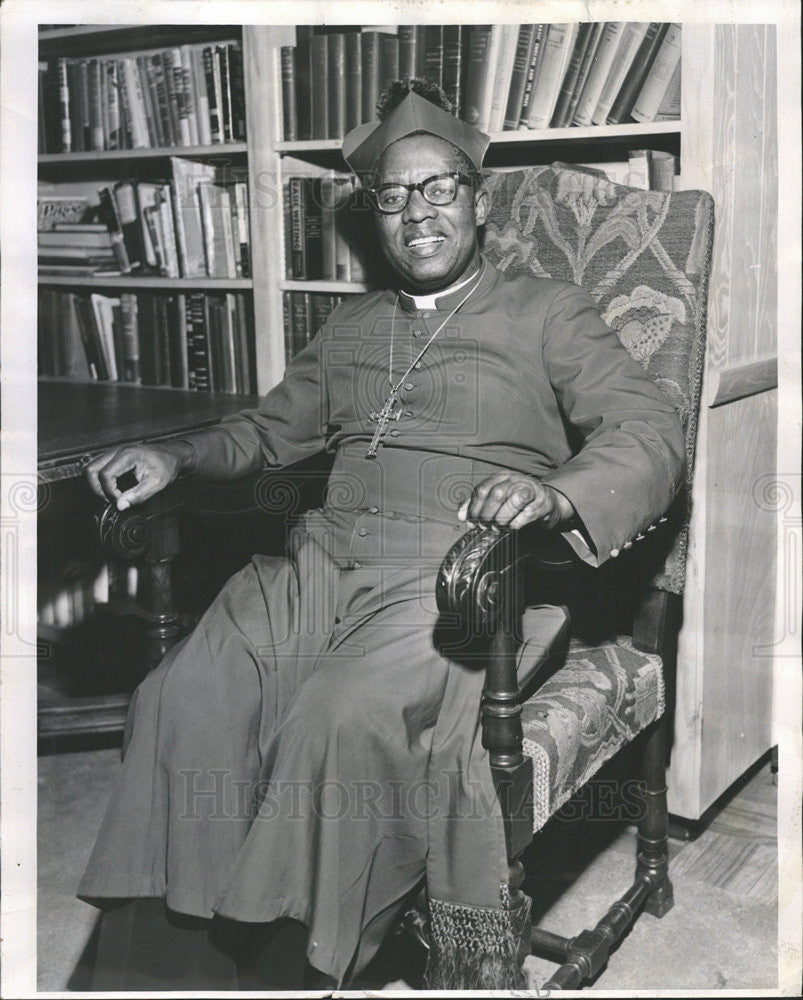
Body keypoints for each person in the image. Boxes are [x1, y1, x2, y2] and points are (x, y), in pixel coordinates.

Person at [78, 79, 685, 990]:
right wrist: (179, 455)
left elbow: (649, 432)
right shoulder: (351, 322)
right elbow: (267, 432)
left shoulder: (545, 310)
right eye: (393, 197)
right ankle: (173, 963)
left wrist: (557, 497)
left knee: (340, 716)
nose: (416, 214)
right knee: (184, 693)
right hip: (323, 559)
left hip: (459, 572)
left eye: (439, 188)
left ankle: (291, 962)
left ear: (478, 201)